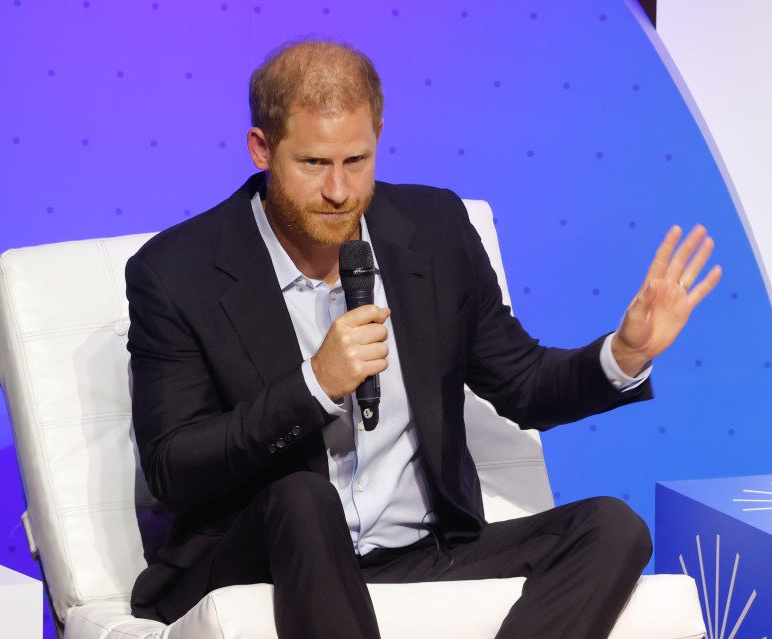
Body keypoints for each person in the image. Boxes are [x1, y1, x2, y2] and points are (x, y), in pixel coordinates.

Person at [125, 39, 721, 638]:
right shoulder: (178, 272)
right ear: (262, 149)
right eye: (313, 164)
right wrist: (314, 386)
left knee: (613, 527)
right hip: (261, 554)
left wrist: (623, 355)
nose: (338, 191)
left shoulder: (434, 231)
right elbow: (174, 468)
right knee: (304, 499)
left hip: (422, 552)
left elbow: (523, 384)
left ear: (379, 134)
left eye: (356, 160)